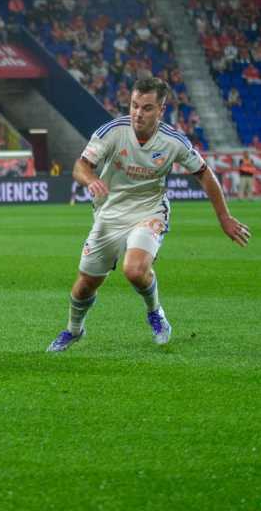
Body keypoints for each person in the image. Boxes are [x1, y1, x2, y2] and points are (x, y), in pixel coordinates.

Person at [48, 77, 251, 352]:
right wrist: (90, 179)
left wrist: (224, 218)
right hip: (110, 212)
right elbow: (81, 166)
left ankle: (156, 313)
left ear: (161, 110)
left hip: (149, 209)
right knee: (85, 284)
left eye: (146, 108)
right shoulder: (113, 131)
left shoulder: (173, 141)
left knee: (133, 269)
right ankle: (74, 330)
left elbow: (205, 174)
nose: (137, 113)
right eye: (134, 106)